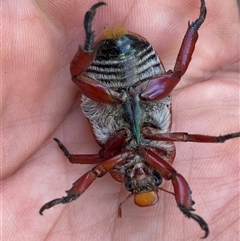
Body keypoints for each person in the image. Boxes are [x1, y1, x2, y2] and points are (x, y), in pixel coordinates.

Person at [2, 0, 239, 240]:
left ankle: (87, 47)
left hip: (107, 89)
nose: (141, 178)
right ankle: (195, 26)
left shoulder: (112, 162)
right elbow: (180, 153)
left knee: (80, 79)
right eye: (153, 179)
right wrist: (219, 140)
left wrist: (71, 192)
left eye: (133, 185)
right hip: (147, 84)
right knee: (175, 75)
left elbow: (94, 166)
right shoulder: (164, 157)